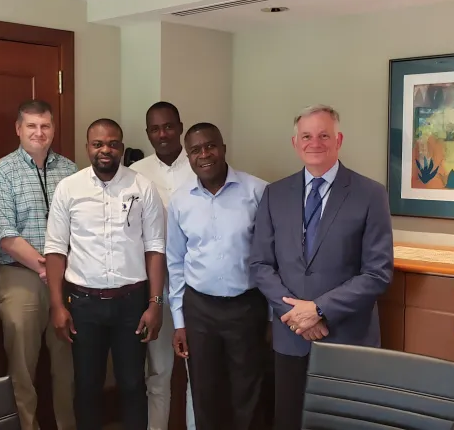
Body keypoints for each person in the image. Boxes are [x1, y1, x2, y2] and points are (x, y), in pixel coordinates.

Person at [249, 104, 394, 430]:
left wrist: (319, 309)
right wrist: (298, 316)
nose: (315, 143)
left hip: (347, 338)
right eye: (307, 136)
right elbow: (260, 264)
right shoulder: (274, 194)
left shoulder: (370, 194)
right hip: (291, 337)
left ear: (338, 140)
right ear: (295, 142)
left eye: (324, 135)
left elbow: (377, 272)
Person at [45, 118, 166, 430]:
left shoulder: (142, 187)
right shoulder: (69, 189)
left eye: (112, 143)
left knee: (131, 384)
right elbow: (56, 249)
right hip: (84, 305)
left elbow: (154, 247)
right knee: (86, 386)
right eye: (98, 144)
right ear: (88, 148)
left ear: (122, 148)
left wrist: (155, 304)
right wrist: (57, 305)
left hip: (132, 303)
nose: (105, 150)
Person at [167, 122, 269, 430]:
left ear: (223, 148)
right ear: (189, 157)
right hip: (200, 310)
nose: (204, 154)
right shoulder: (180, 201)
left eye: (210, 146)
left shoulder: (258, 191)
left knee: (248, 392)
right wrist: (179, 320)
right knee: (205, 392)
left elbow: (273, 258)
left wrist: (274, 317)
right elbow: (175, 261)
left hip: (246, 306)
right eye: (195, 150)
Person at [0, 100, 77, 430]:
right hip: (20, 277)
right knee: (22, 368)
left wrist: (57, 274)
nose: (39, 133)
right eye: (31, 126)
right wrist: (45, 268)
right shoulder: (3, 171)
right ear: (18, 129)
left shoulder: (70, 170)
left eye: (46, 126)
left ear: (53, 128)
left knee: (68, 366)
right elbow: (4, 234)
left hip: (68, 281)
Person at [129, 101, 196, 430]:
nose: (163, 134)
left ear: (180, 126)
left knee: (197, 370)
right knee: (159, 369)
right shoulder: (137, 173)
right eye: (155, 129)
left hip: (197, 282)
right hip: (154, 283)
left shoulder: (202, 163)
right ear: (148, 134)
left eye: (168, 126)